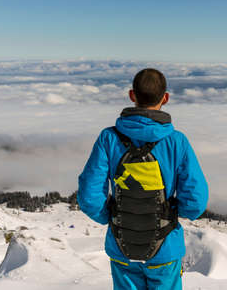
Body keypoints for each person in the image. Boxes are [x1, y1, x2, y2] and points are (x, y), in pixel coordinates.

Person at [78, 68, 208, 289]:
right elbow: (195, 201)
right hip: (164, 248)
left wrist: (114, 217)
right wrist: (174, 213)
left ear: (132, 95)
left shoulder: (108, 138)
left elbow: (89, 196)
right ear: (165, 98)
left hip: (121, 246)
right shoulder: (177, 142)